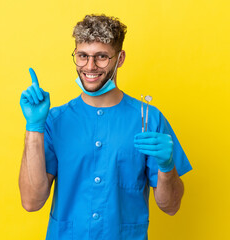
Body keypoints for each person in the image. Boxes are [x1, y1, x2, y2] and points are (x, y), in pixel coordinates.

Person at [19, 14, 192, 240]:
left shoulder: (149, 119)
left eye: (101, 57)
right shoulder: (55, 120)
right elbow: (31, 202)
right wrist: (34, 127)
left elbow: (171, 206)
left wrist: (167, 167)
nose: (90, 66)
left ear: (119, 58)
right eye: (82, 56)